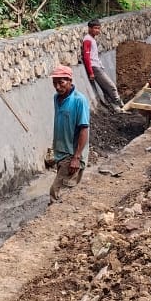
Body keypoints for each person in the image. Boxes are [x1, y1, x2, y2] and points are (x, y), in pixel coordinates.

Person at [49, 65, 90, 200]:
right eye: (55, 83)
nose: (57, 87)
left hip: (71, 154)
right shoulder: (57, 98)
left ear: (70, 81)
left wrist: (76, 157)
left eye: (61, 82)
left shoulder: (79, 100)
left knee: (56, 192)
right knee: (65, 190)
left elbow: (84, 129)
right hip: (60, 152)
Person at [80, 19, 124, 111]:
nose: (97, 30)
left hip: (97, 66)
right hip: (94, 67)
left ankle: (115, 108)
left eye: (99, 28)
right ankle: (119, 103)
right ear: (89, 28)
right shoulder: (87, 40)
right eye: (95, 28)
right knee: (111, 86)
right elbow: (86, 57)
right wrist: (90, 72)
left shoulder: (91, 39)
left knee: (105, 88)